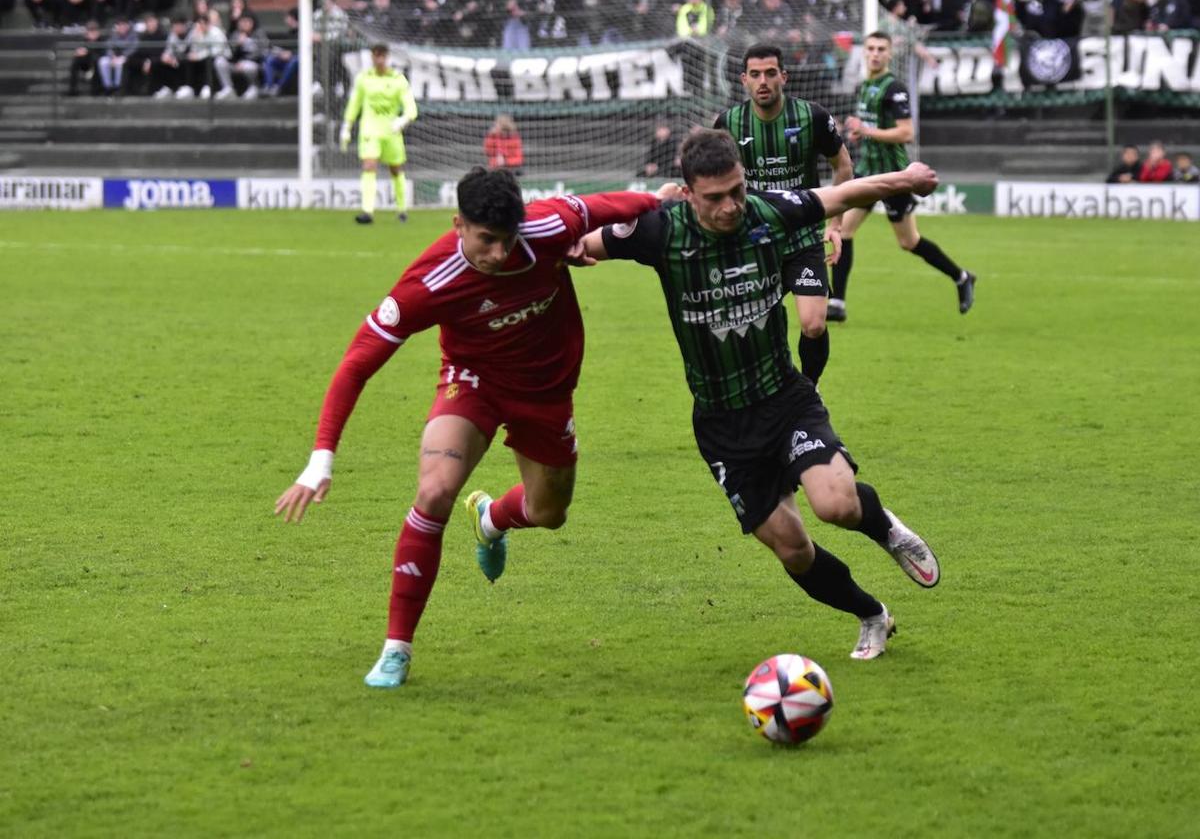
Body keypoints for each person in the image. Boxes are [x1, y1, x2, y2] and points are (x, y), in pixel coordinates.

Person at [275, 170, 669, 688]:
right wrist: (321, 459)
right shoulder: (429, 281)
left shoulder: (546, 227)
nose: (500, 253)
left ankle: (492, 519)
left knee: (549, 513)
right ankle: (397, 648)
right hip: (472, 383)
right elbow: (356, 364)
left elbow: (614, 204)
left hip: (547, 392)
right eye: (486, 239)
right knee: (435, 490)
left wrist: (661, 197)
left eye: (508, 238)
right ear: (458, 224)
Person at [578, 129, 943, 661]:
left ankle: (886, 528)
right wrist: (554, 249)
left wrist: (905, 179)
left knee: (835, 505)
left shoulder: (767, 212)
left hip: (783, 397)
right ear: (687, 193)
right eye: (715, 197)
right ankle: (872, 615)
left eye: (737, 190)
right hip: (723, 425)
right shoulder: (660, 231)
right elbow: (581, 243)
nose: (730, 206)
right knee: (794, 550)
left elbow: (841, 195)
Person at [713, 43, 853, 388]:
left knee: (814, 324)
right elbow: (713, 179)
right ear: (744, 80)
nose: (763, 81)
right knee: (747, 329)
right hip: (754, 242)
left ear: (784, 77)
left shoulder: (813, 117)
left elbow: (844, 167)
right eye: (756, 74)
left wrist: (835, 225)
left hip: (803, 238)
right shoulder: (729, 123)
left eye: (771, 73)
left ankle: (809, 389)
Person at [833, 31, 976, 322]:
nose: (874, 53)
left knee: (908, 242)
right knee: (843, 231)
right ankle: (837, 302)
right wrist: (860, 133)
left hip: (895, 176)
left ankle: (962, 277)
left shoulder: (894, 88)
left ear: (889, 54)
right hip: (868, 170)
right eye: (870, 48)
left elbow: (907, 132)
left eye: (880, 49)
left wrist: (868, 131)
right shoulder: (865, 86)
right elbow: (870, 127)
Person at [340, 43, 418, 224]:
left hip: (391, 130)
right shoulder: (364, 78)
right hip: (370, 129)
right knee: (369, 165)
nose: (379, 59)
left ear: (387, 57)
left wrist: (403, 119)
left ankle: (401, 209)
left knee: (395, 169)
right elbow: (355, 103)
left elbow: (411, 108)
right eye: (376, 55)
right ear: (372, 57)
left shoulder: (398, 79)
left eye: (382, 55)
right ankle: (367, 211)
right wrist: (347, 125)